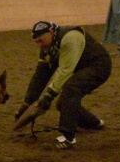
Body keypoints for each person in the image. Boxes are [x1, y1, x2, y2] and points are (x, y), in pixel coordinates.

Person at [15, 21, 112, 150]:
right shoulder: (47, 46)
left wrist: (48, 97)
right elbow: (41, 75)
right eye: (36, 42)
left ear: (51, 33)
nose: (39, 45)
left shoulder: (70, 38)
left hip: (99, 66)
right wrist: (26, 103)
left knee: (71, 88)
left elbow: (65, 71)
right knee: (63, 104)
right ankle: (94, 123)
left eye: (40, 40)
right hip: (83, 68)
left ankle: (68, 137)